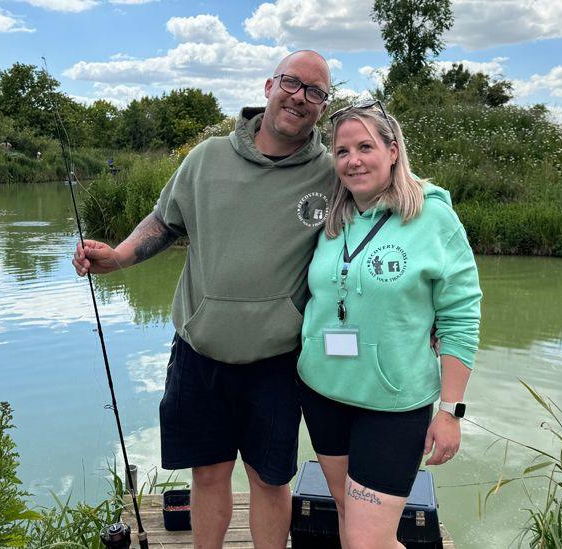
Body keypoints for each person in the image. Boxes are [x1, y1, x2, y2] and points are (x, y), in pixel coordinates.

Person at [72, 50, 335, 549]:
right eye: (292, 83)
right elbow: (164, 221)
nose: (300, 98)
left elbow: (385, 206)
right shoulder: (207, 157)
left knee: (270, 481)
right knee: (209, 474)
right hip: (199, 354)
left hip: (279, 362)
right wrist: (120, 256)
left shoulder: (331, 172)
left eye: (316, 92)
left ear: (324, 107)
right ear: (268, 86)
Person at [296, 101, 482, 548]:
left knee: (367, 541)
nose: (353, 160)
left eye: (365, 146)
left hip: (394, 406)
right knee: (349, 519)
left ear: (393, 150)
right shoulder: (331, 219)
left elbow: (461, 315)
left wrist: (450, 411)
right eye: (342, 151)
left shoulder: (433, 218)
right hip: (323, 393)